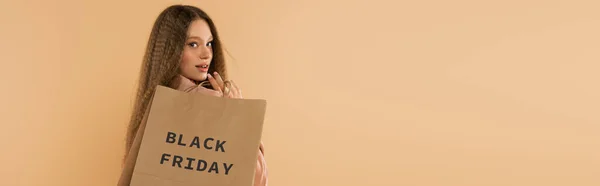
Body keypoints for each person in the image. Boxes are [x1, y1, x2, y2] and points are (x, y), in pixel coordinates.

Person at [117, 4, 268, 186]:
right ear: (171, 50)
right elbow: (255, 176)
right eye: (193, 44)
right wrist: (238, 115)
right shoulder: (212, 101)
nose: (206, 54)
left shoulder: (153, 104)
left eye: (209, 43)